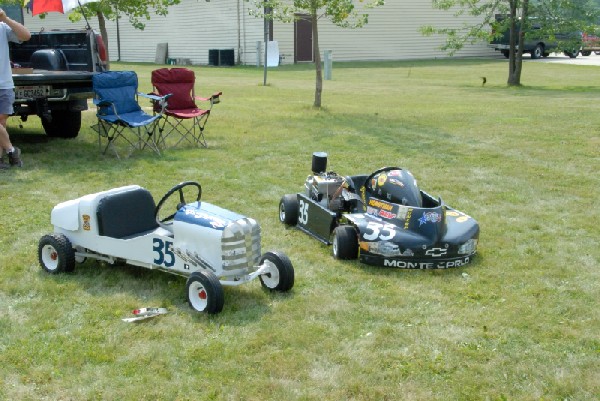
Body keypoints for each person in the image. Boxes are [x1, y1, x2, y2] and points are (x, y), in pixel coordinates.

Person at [0, 8, 30, 169]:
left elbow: (26, 36)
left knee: (1, 122)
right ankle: (12, 151)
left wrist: (6, 18)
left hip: (4, 84)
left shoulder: (2, 27)